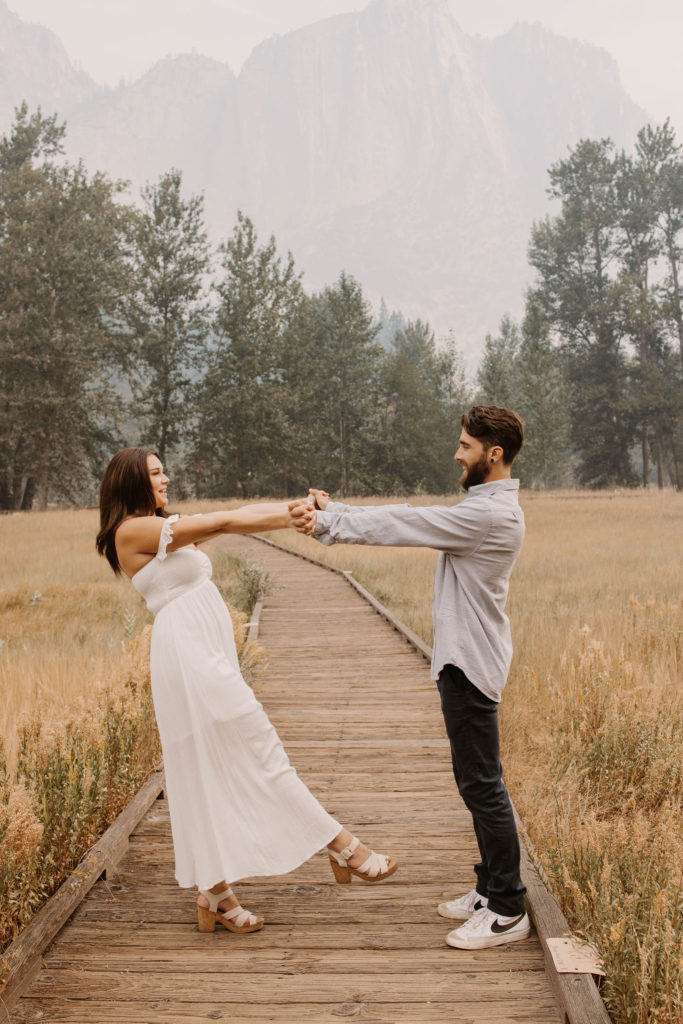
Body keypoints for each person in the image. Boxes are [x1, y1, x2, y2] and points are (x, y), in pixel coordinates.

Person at [96, 447, 397, 935]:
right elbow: (226, 520)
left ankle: (215, 892)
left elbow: (225, 522)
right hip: (189, 661)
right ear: (131, 482)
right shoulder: (132, 530)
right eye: (155, 473)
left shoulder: (162, 527)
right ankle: (344, 847)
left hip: (204, 656)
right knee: (258, 750)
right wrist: (289, 513)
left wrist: (297, 506)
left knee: (217, 764)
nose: (166, 478)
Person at [291, 406, 528, 950]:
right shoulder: (484, 507)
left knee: (483, 786)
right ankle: (491, 888)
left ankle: (509, 908)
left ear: (493, 455)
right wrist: (338, 510)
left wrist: (330, 520)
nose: (457, 453)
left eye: (466, 445)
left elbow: (408, 521)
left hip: (470, 664)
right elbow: (414, 517)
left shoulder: (489, 516)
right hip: (464, 660)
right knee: (476, 783)